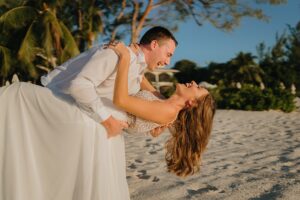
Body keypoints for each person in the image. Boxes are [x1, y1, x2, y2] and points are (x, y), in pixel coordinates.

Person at [0, 26, 177, 200]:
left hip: (97, 129)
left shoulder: (136, 66)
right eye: (168, 54)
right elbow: (79, 85)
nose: (168, 61)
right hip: (75, 116)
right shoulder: (115, 53)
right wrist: (108, 120)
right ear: (154, 45)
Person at [108, 42, 216, 177]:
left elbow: (121, 100)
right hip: (103, 118)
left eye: (198, 88)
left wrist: (125, 57)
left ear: (192, 103)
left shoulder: (168, 112)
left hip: (103, 126)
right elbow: (140, 77)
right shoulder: (163, 101)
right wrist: (137, 55)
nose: (193, 82)